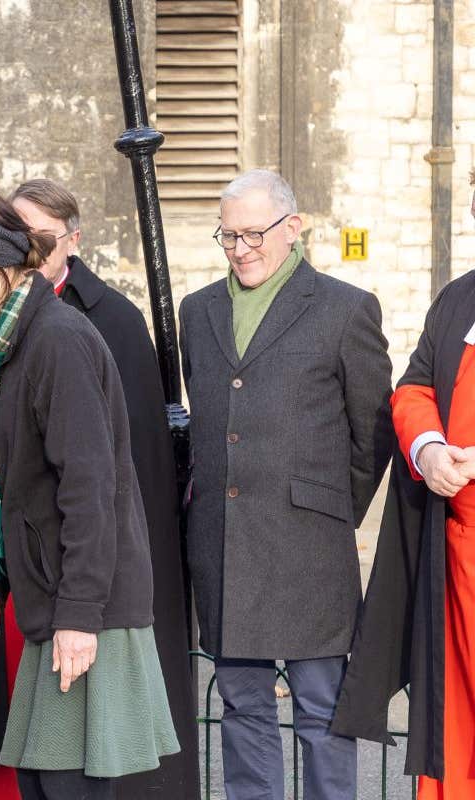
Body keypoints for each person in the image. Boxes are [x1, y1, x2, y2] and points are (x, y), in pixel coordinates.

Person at [0, 186, 178, 800]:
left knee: (66, 786)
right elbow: (22, 494)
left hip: (86, 612)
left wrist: (80, 618)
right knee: (42, 783)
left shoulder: (55, 341)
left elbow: (92, 490)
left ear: (4, 267)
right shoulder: (7, 346)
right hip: (56, 603)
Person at [178, 169, 393, 800]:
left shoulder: (346, 308)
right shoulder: (197, 312)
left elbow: (372, 432)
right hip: (225, 544)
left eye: (254, 234)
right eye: (228, 236)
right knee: (242, 708)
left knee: (322, 711)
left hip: (310, 547)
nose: (241, 249)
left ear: (292, 229)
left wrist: (332, 511)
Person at [9, 179, 198, 798]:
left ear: (72, 240)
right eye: (18, 239)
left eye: (40, 239)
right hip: (35, 574)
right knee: (44, 764)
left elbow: (112, 471)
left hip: (90, 577)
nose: (30, 253)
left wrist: (90, 595)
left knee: (81, 762)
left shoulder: (106, 321)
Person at [332, 172, 475, 796]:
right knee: (455, 721)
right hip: (456, 554)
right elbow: (415, 386)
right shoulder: (459, 298)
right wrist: (428, 445)